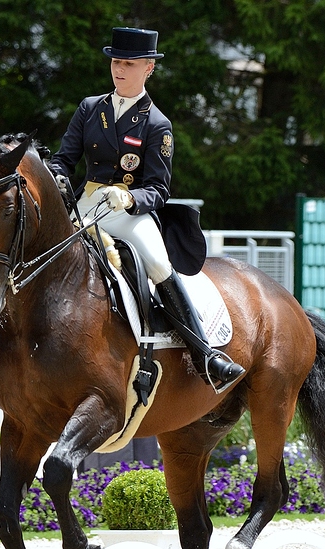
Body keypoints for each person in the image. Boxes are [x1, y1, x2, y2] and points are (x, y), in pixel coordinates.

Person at [48, 26, 244, 391]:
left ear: (148, 68)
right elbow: (64, 159)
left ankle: (204, 354)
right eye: (115, 61)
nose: (119, 69)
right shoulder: (90, 108)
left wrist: (131, 198)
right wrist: (57, 178)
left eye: (128, 63)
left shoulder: (157, 124)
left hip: (128, 213)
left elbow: (158, 189)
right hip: (88, 204)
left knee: (157, 262)